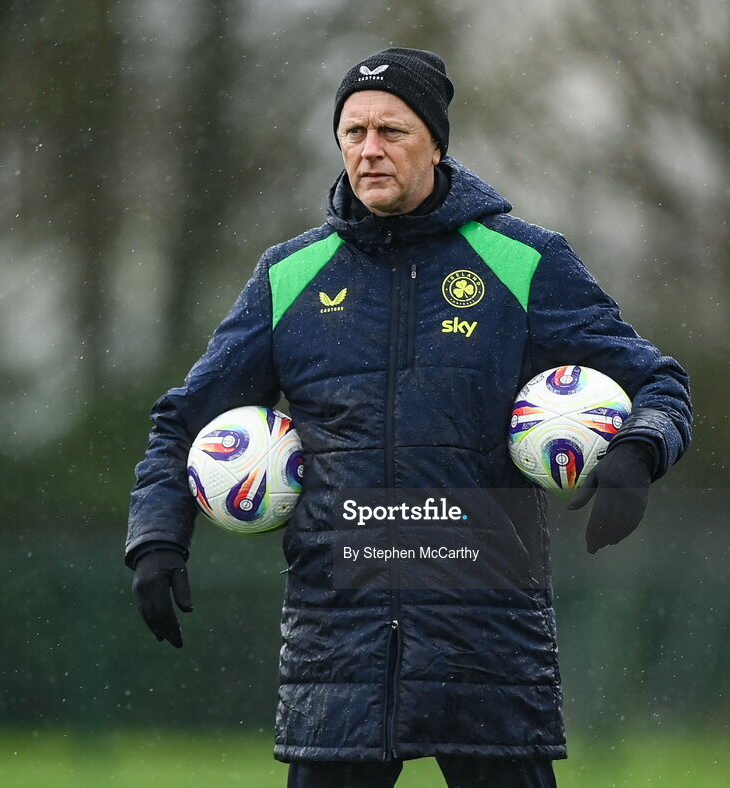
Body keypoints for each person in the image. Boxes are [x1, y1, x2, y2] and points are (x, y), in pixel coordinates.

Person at [126, 47, 692, 788]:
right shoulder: (287, 276)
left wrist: (637, 453)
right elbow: (182, 422)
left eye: (391, 130)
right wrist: (158, 536)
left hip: (485, 640)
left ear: (436, 143)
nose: (369, 149)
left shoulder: (523, 262)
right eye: (353, 132)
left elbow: (657, 381)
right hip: (341, 645)